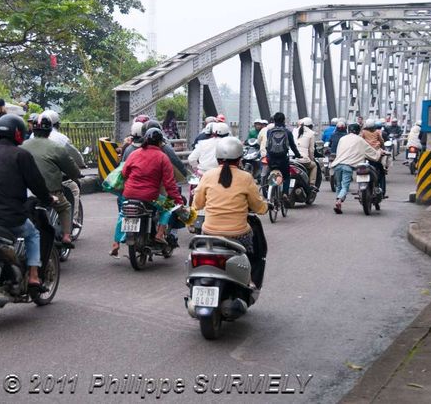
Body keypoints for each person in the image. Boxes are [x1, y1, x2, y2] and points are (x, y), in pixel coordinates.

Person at [0, 114, 52, 286]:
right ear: (18, 133)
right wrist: (48, 198)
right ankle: (34, 275)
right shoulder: (21, 155)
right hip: (11, 219)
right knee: (33, 234)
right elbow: (37, 185)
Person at [192, 137, 268, 288]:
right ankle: (250, 280)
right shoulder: (246, 178)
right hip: (238, 235)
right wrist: (266, 207)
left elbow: (198, 204)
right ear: (240, 159)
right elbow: (258, 207)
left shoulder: (207, 176)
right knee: (255, 253)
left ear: (217, 157)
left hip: (209, 232)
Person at [21, 115, 81, 247]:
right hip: (50, 192)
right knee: (65, 207)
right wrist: (77, 174)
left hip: (24, 191)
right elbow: (71, 167)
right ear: (50, 130)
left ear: (33, 130)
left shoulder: (22, 146)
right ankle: (66, 236)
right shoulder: (56, 147)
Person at [122, 128, 184, 244]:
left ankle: (120, 239)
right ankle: (160, 234)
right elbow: (170, 184)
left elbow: (124, 173)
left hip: (129, 194)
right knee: (168, 207)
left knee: (123, 213)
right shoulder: (162, 157)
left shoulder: (134, 154)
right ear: (160, 143)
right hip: (151, 196)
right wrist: (178, 201)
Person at [43, 110, 84, 225]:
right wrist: (81, 164)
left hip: (34, 178)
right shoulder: (61, 138)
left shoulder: (31, 138)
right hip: (55, 178)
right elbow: (74, 155)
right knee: (74, 188)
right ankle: (73, 220)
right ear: (57, 124)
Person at [331, 123, 381, 214]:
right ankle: (339, 200)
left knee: (338, 185)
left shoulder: (342, 139)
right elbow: (372, 153)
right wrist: (379, 152)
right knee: (345, 187)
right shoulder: (360, 140)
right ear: (358, 131)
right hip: (348, 166)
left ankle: (337, 201)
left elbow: (339, 152)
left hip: (337, 165)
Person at [266, 112, 301, 202]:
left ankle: (269, 191)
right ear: (284, 120)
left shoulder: (269, 131)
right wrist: (298, 155)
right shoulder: (287, 132)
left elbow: (268, 145)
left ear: (274, 120)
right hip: (282, 159)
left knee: (271, 172)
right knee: (286, 176)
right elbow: (292, 146)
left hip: (271, 159)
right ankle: (285, 193)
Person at [361, 118, 387, 198]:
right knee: (382, 172)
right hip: (376, 154)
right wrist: (383, 147)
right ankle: (382, 191)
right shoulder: (377, 132)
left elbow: (360, 140)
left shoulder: (363, 132)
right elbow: (382, 141)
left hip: (366, 153)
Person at [293, 117, 318, 190]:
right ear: (310, 126)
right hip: (302, 159)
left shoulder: (294, 131)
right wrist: (311, 159)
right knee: (314, 166)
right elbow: (311, 150)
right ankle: (312, 184)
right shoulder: (311, 133)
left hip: (292, 158)